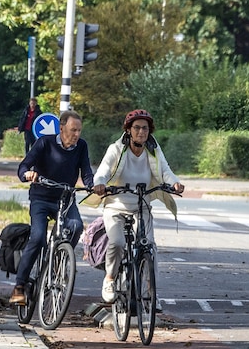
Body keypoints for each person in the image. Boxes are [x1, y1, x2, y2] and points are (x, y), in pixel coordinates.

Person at [89, 110, 184, 304]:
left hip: (141, 206)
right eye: (137, 128)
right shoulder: (116, 149)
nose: (141, 132)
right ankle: (110, 279)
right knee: (117, 243)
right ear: (128, 130)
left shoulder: (153, 150)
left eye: (145, 128)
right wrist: (99, 183)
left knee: (149, 246)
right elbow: (104, 170)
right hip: (116, 207)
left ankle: (150, 292)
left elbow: (166, 171)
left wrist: (175, 183)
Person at [10, 110, 95, 306]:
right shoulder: (45, 143)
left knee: (76, 226)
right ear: (62, 128)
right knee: (38, 237)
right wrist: (28, 174)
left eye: (79, 131)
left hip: (65, 198)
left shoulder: (81, 146)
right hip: (41, 197)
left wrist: (92, 185)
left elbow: (86, 170)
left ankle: (59, 261)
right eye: (73, 130)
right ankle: (19, 286)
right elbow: (24, 166)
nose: (76, 135)